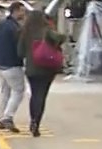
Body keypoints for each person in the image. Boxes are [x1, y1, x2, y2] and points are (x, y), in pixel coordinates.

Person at [17, 9, 67, 137]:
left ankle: (32, 120)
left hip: (32, 69)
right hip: (47, 69)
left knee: (35, 94)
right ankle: (36, 123)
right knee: (42, 95)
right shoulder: (47, 31)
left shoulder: (25, 32)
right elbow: (62, 38)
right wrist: (51, 26)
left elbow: (20, 52)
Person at [0, 2, 26, 133]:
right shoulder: (15, 28)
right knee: (19, 91)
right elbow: (20, 46)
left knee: (5, 92)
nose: (23, 14)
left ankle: (1, 117)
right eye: (22, 11)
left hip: (0, 64)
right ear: (15, 11)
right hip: (12, 64)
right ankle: (8, 117)